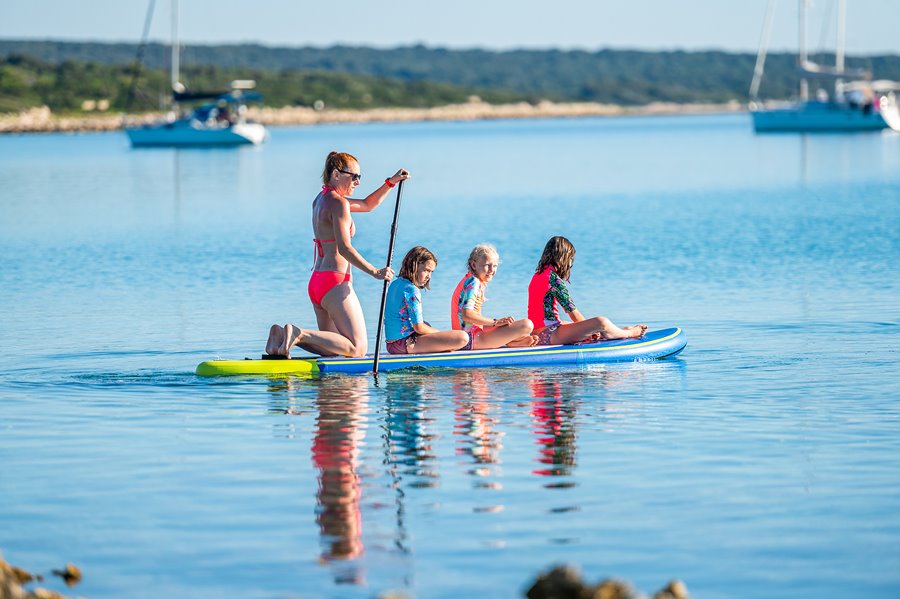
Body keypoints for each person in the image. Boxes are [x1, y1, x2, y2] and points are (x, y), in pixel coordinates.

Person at [266, 151, 410, 358]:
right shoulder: (339, 204)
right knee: (357, 348)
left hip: (317, 282)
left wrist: (391, 182)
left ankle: (280, 337)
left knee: (333, 350)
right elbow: (344, 248)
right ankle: (298, 334)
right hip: (335, 282)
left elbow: (368, 205)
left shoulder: (321, 200)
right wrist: (375, 272)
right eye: (354, 177)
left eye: (360, 177)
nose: (358, 182)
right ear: (336, 174)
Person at [527, 236, 647, 345]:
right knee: (601, 322)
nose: (570, 263)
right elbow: (573, 312)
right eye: (570, 259)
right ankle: (629, 333)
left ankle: (618, 331)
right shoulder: (552, 279)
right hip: (549, 335)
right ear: (562, 257)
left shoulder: (538, 275)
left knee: (567, 323)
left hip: (538, 333)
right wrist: (591, 330)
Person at [384, 246, 469, 354]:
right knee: (462, 337)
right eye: (427, 270)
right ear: (414, 266)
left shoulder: (395, 283)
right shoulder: (411, 289)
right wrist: (440, 334)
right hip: (404, 344)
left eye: (431, 272)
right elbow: (419, 328)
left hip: (391, 344)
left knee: (426, 324)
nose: (429, 276)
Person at [450, 244, 536, 350]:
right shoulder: (474, 283)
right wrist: (495, 322)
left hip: (469, 336)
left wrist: (498, 323)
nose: (492, 270)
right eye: (487, 265)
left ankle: (514, 341)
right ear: (473, 265)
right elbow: (466, 315)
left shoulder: (469, 279)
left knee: (509, 325)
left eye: (495, 266)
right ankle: (513, 341)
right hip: (471, 340)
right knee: (527, 325)